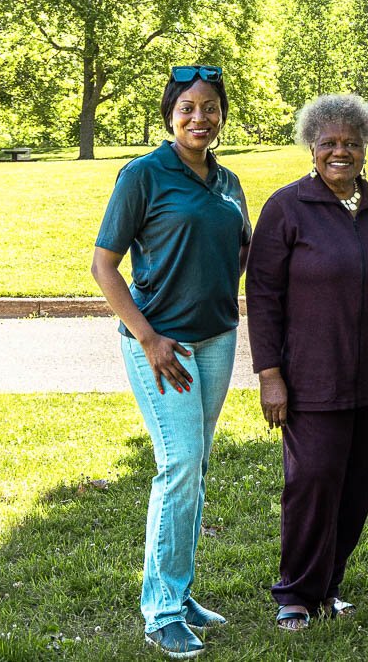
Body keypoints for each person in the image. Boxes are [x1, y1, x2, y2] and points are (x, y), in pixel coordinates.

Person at [90, 65, 251, 658]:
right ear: (170, 115)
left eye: (210, 107)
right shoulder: (143, 174)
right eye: (188, 108)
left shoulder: (228, 180)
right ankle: (160, 611)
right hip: (163, 346)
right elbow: (104, 266)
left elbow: (240, 248)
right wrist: (149, 337)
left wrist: (216, 289)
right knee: (178, 465)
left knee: (195, 466)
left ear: (221, 115)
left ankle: (180, 593)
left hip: (218, 339)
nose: (199, 118)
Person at [245, 94, 368, 631]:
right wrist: (269, 375)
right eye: (329, 143)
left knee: (357, 487)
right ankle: (296, 594)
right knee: (313, 483)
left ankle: (328, 586)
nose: (340, 152)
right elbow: (263, 296)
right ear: (311, 148)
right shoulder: (287, 207)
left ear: (365, 149)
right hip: (312, 378)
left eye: (351, 143)